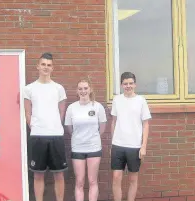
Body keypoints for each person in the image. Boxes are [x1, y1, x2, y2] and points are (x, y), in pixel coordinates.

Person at [24, 52, 67, 201]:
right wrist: (36, 126)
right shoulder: (29, 89)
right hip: (37, 137)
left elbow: (62, 111)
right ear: (38, 66)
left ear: (52, 68)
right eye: (43, 64)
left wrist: (53, 125)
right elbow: (27, 113)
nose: (46, 67)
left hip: (56, 136)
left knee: (59, 175)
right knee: (38, 175)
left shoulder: (59, 88)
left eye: (49, 65)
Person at [111, 72, 151, 201]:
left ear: (135, 84)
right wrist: (112, 143)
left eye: (130, 83)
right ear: (122, 85)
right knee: (116, 177)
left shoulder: (141, 100)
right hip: (118, 145)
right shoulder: (117, 99)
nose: (128, 86)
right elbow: (113, 122)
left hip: (134, 146)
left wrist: (143, 146)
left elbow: (146, 124)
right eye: (125, 83)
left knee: (133, 178)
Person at [64, 79, 107, 201]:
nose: (83, 91)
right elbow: (69, 129)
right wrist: (79, 138)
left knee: (92, 180)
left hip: (94, 147)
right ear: (77, 91)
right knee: (79, 181)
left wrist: (91, 138)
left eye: (85, 88)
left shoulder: (98, 107)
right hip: (78, 148)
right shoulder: (71, 108)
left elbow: (102, 128)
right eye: (80, 89)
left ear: (90, 89)